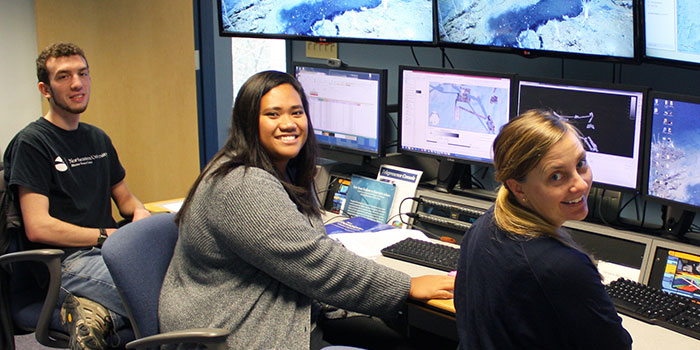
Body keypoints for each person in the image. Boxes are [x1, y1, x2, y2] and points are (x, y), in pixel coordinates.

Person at [158, 71, 455, 350]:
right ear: (248, 123)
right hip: (236, 332)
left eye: (296, 112)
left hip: (280, 311)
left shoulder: (279, 171)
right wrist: (406, 286)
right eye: (273, 114)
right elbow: (317, 264)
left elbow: (312, 251)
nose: (288, 123)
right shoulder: (242, 184)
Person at [3, 42, 150, 349]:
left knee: (176, 273)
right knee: (156, 293)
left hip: (108, 252)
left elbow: (126, 201)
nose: (77, 83)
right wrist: (103, 235)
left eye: (82, 73)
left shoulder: (97, 137)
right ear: (45, 88)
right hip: (63, 264)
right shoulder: (32, 143)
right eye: (64, 76)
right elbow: (38, 226)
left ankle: (96, 313)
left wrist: (140, 218)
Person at [454, 110, 632, 350]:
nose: (580, 184)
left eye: (580, 164)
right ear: (519, 188)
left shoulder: (484, 226)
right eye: (556, 176)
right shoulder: (561, 265)